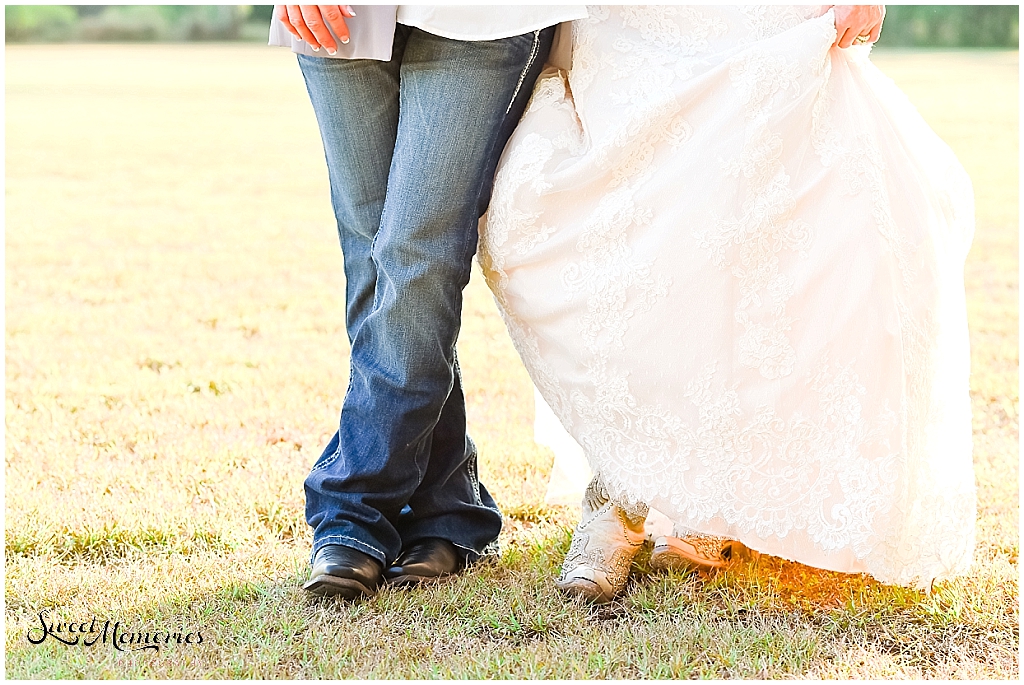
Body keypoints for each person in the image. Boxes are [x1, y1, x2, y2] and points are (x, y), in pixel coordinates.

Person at [479, 5, 976, 603]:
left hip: (759, 19)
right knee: (603, 227)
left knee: (752, 221)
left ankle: (701, 502)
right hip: (625, 24)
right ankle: (620, 491)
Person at [275, 4, 586, 599]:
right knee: (372, 263)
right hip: (338, 14)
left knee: (416, 258)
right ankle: (448, 508)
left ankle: (352, 511)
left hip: (480, 17)